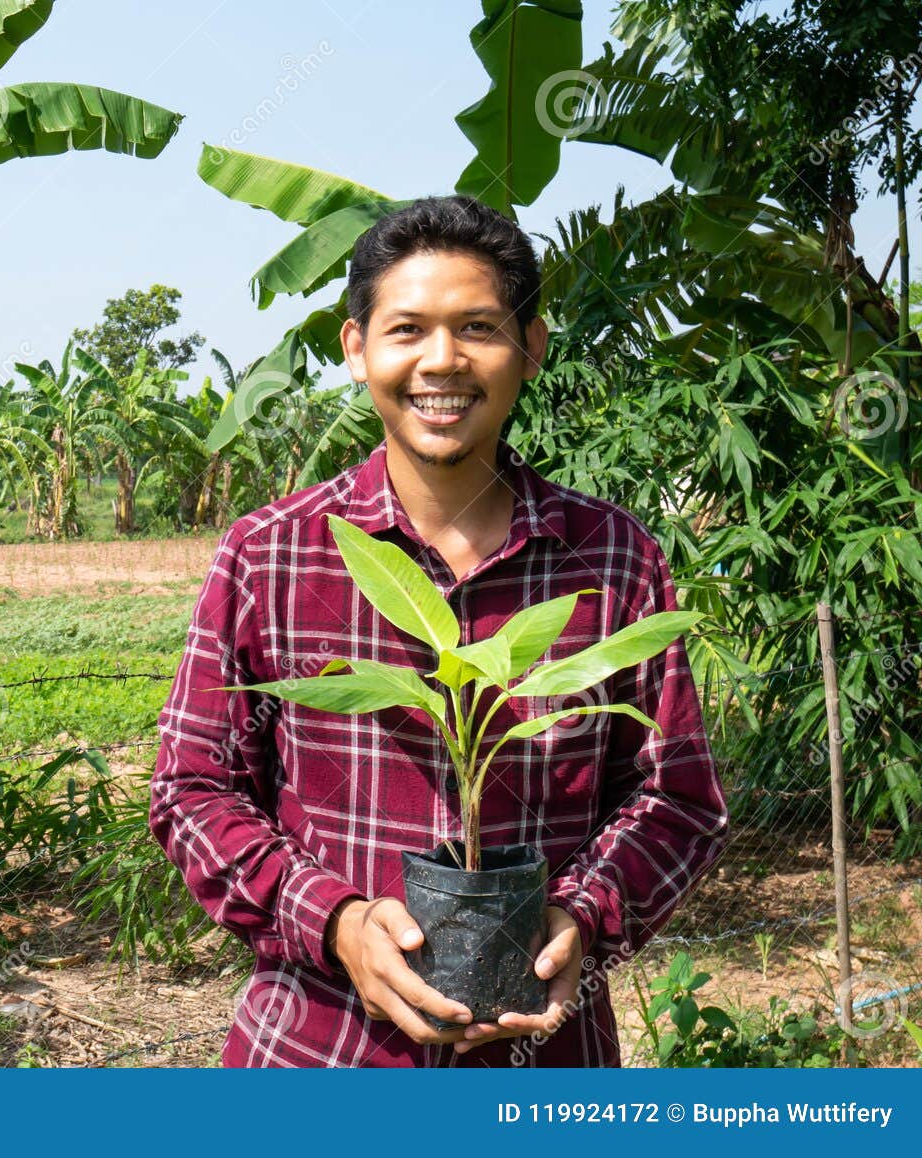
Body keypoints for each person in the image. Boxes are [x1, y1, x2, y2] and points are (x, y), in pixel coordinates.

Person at [150, 195, 729, 1067]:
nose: (442, 361)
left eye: (478, 329)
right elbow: (192, 789)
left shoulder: (611, 559)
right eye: (408, 329)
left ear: (531, 349)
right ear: (357, 351)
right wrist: (334, 921)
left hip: (544, 1060)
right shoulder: (272, 554)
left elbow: (677, 799)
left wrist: (583, 918)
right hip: (318, 1050)